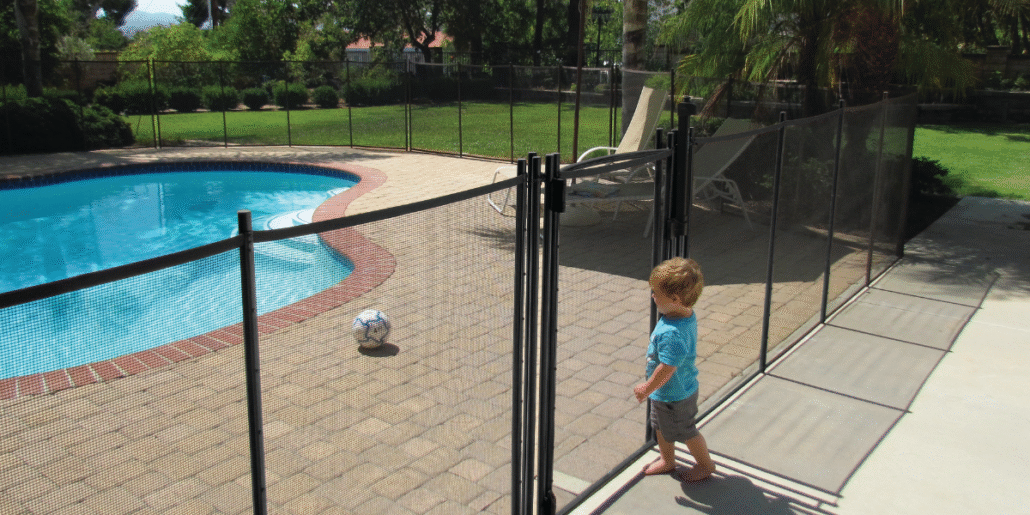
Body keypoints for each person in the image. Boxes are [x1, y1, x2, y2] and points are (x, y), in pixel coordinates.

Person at [633, 257, 716, 482]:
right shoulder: (684, 314)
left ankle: (706, 465)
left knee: (687, 431)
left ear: (675, 299)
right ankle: (667, 459)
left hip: (675, 396)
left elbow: (667, 369)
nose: (653, 296)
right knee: (659, 426)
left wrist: (646, 388)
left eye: (656, 293)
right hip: (668, 392)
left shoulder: (673, 333)